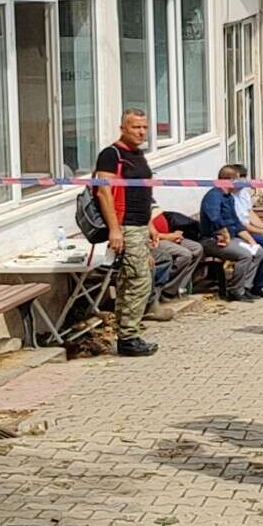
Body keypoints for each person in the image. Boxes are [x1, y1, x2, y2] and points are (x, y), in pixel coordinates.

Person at [94, 110, 160, 357]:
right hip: (125, 227)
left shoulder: (138, 155)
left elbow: (143, 193)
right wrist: (114, 229)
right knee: (138, 280)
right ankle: (129, 336)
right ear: (123, 128)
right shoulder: (112, 155)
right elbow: (104, 193)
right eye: (135, 127)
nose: (141, 132)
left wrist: (150, 225)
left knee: (129, 281)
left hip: (140, 225)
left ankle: (126, 334)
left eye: (144, 127)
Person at [199, 167, 263, 302]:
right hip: (214, 239)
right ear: (230, 180)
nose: (242, 182)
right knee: (244, 255)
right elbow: (214, 218)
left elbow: (237, 224)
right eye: (239, 179)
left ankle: (246, 287)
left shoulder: (229, 198)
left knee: (259, 251)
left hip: (231, 238)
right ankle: (235, 290)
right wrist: (223, 232)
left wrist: (251, 241)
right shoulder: (214, 196)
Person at [228, 166, 263, 299]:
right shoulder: (229, 196)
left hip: (248, 228)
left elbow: (250, 213)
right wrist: (260, 232)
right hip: (239, 232)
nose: (243, 180)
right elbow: (240, 224)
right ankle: (259, 285)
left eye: (244, 177)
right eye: (240, 177)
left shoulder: (243, 192)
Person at [148, 211, 203, 305]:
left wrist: (174, 233)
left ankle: (179, 288)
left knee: (197, 248)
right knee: (185, 254)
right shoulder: (137, 204)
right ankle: (167, 291)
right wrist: (167, 236)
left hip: (168, 234)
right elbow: (146, 230)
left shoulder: (151, 201)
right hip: (156, 240)